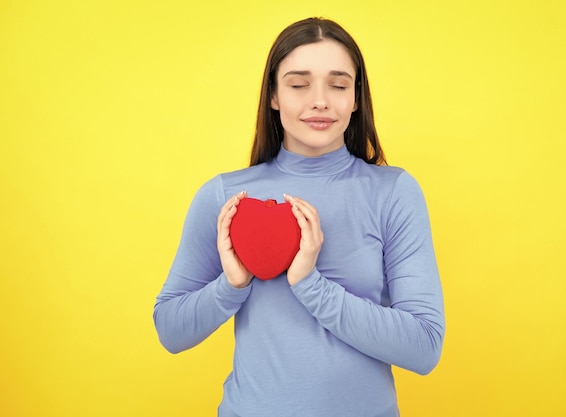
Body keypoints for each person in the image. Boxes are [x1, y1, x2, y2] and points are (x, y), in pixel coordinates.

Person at [154, 17, 445, 417]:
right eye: (298, 84)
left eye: (339, 85)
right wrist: (232, 285)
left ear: (356, 98)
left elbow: (424, 347)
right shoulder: (225, 197)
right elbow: (170, 330)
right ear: (273, 95)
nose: (320, 101)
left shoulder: (393, 192)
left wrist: (311, 285)